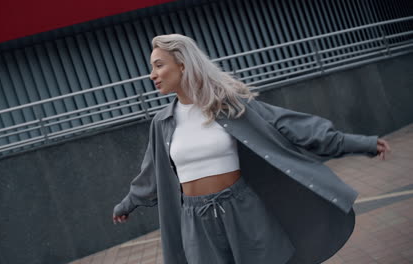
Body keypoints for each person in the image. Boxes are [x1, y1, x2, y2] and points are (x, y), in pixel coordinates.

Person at [113, 34, 391, 264]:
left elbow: (292, 125)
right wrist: (127, 204)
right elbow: (150, 174)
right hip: (195, 222)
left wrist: (360, 143)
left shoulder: (228, 105)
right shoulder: (162, 122)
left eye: (159, 65)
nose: (152, 75)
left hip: (242, 209)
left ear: (183, 64)